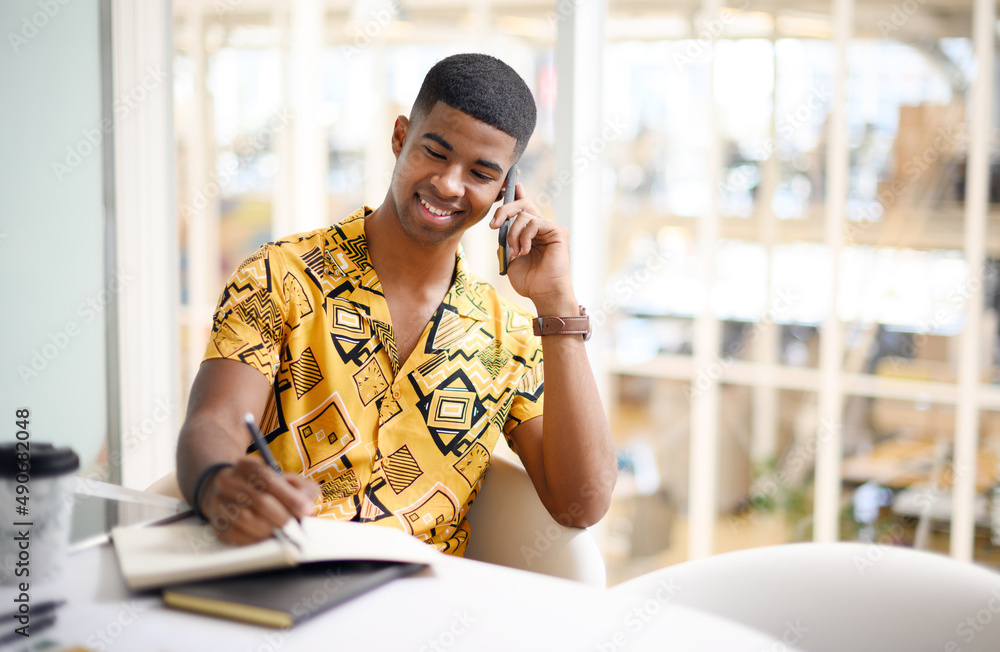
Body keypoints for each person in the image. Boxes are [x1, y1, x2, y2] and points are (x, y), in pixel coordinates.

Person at [176, 53, 616, 556]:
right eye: (435, 152)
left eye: (480, 172)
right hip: (278, 575)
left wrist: (555, 303)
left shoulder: (509, 337)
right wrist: (218, 483)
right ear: (400, 136)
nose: (450, 184)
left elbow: (580, 503)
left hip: (420, 615)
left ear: (505, 189)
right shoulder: (281, 275)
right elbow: (213, 423)